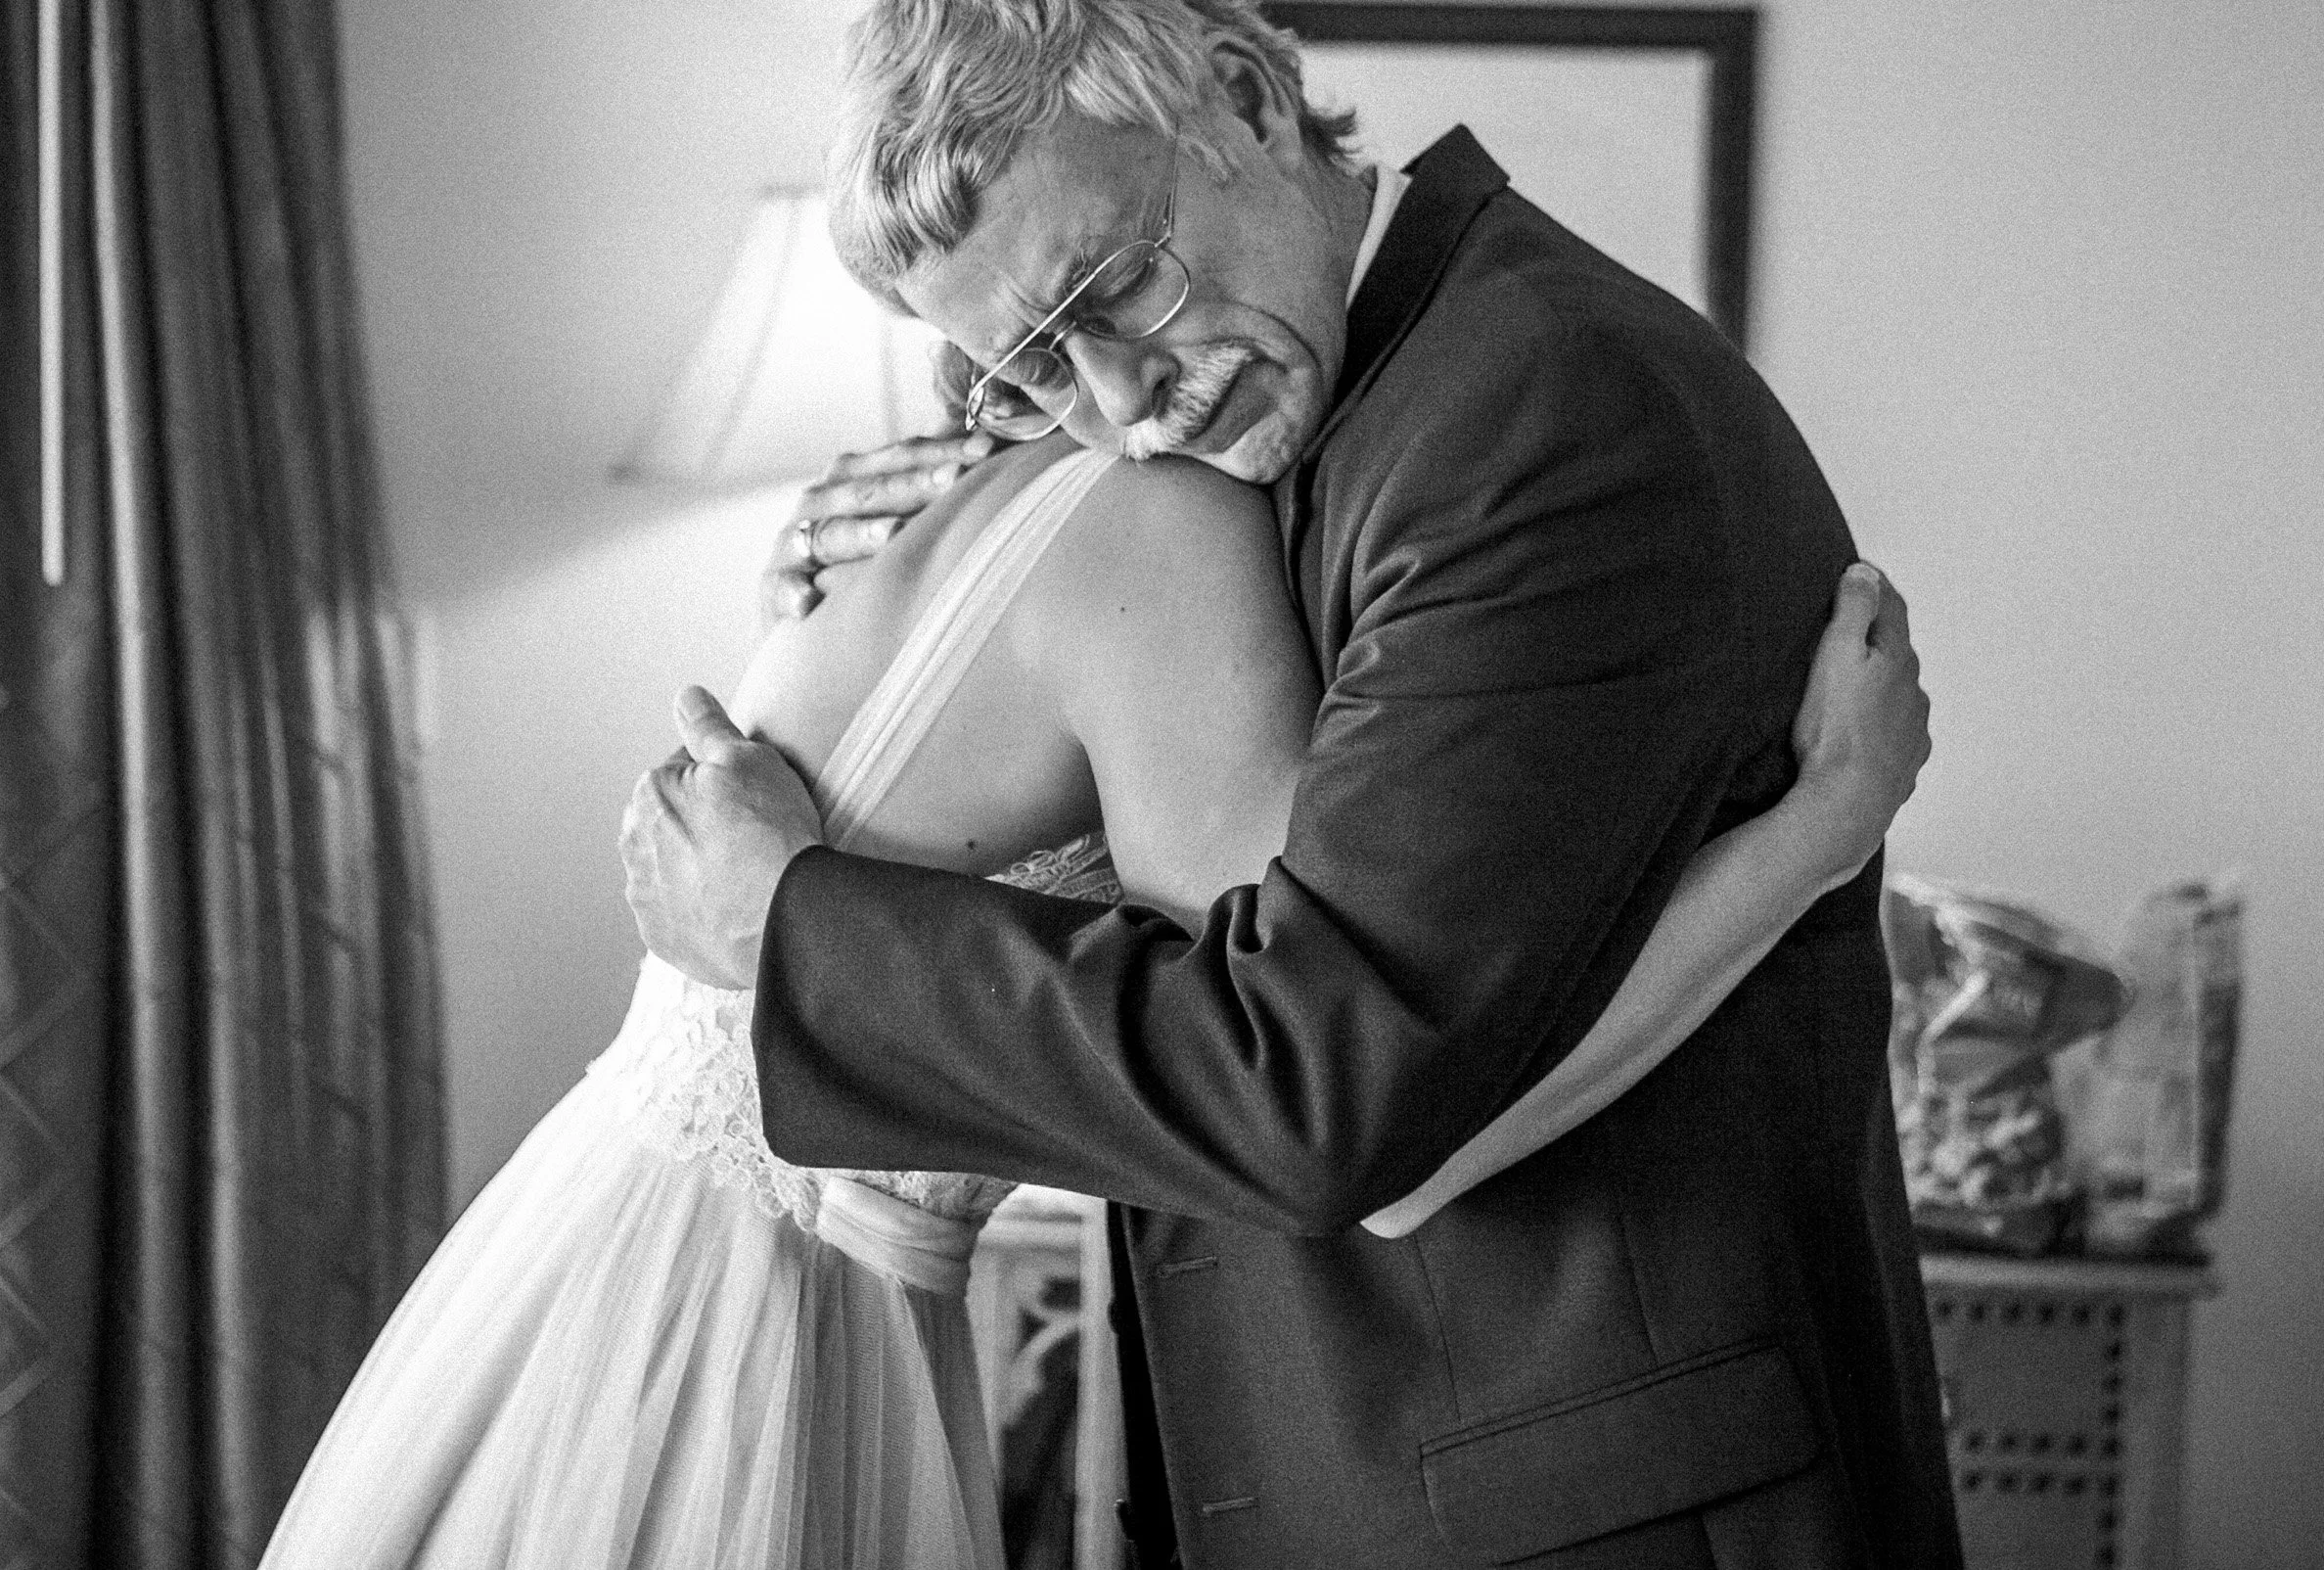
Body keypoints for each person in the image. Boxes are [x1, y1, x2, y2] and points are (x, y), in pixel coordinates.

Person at [623, 0, 1964, 1570]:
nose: (1123, 402)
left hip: (1591, 1513)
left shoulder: (1534, 412)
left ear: (1246, 99)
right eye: (1031, 368)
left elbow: (1321, 1092)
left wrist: (790, 926)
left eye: (1116, 286)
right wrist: (1814, 835)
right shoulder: (1287, 425)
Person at [258, 410, 1918, 1569]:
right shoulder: (1157, 526)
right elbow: (1370, 1129)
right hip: (746, 1321)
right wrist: (1816, 833)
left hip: (655, 1248)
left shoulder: (1003, 518)